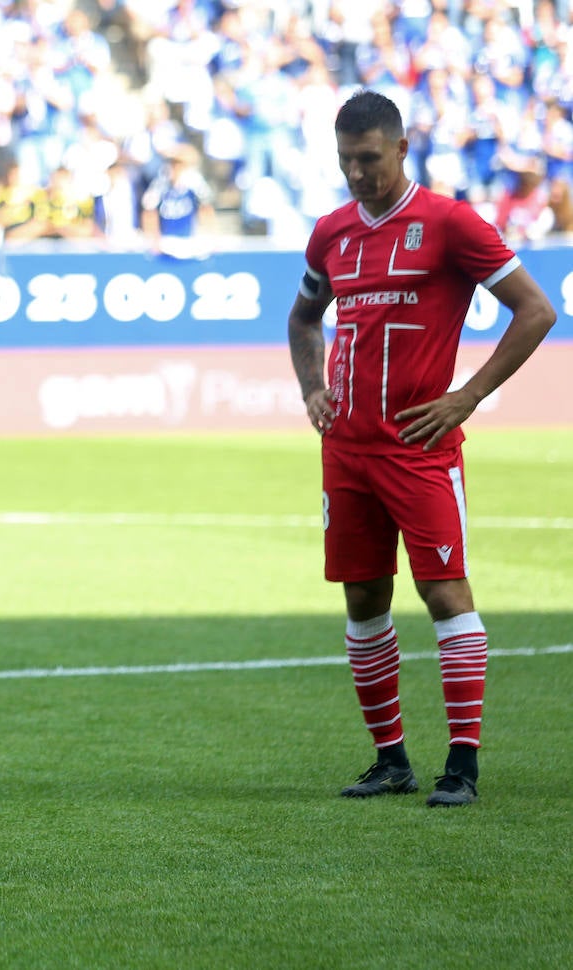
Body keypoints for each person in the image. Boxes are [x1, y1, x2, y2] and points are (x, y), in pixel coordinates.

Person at [287, 90, 556, 807]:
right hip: (345, 450)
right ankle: (390, 760)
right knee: (364, 599)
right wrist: (313, 385)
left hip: (418, 448)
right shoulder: (331, 233)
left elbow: (537, 309)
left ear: (402, 149)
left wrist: (468, 396)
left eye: (369, 159)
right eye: (346, 161)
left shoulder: (449, 225)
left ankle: (462, 767)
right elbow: (304, 317)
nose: (357, 174)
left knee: (444, 594)